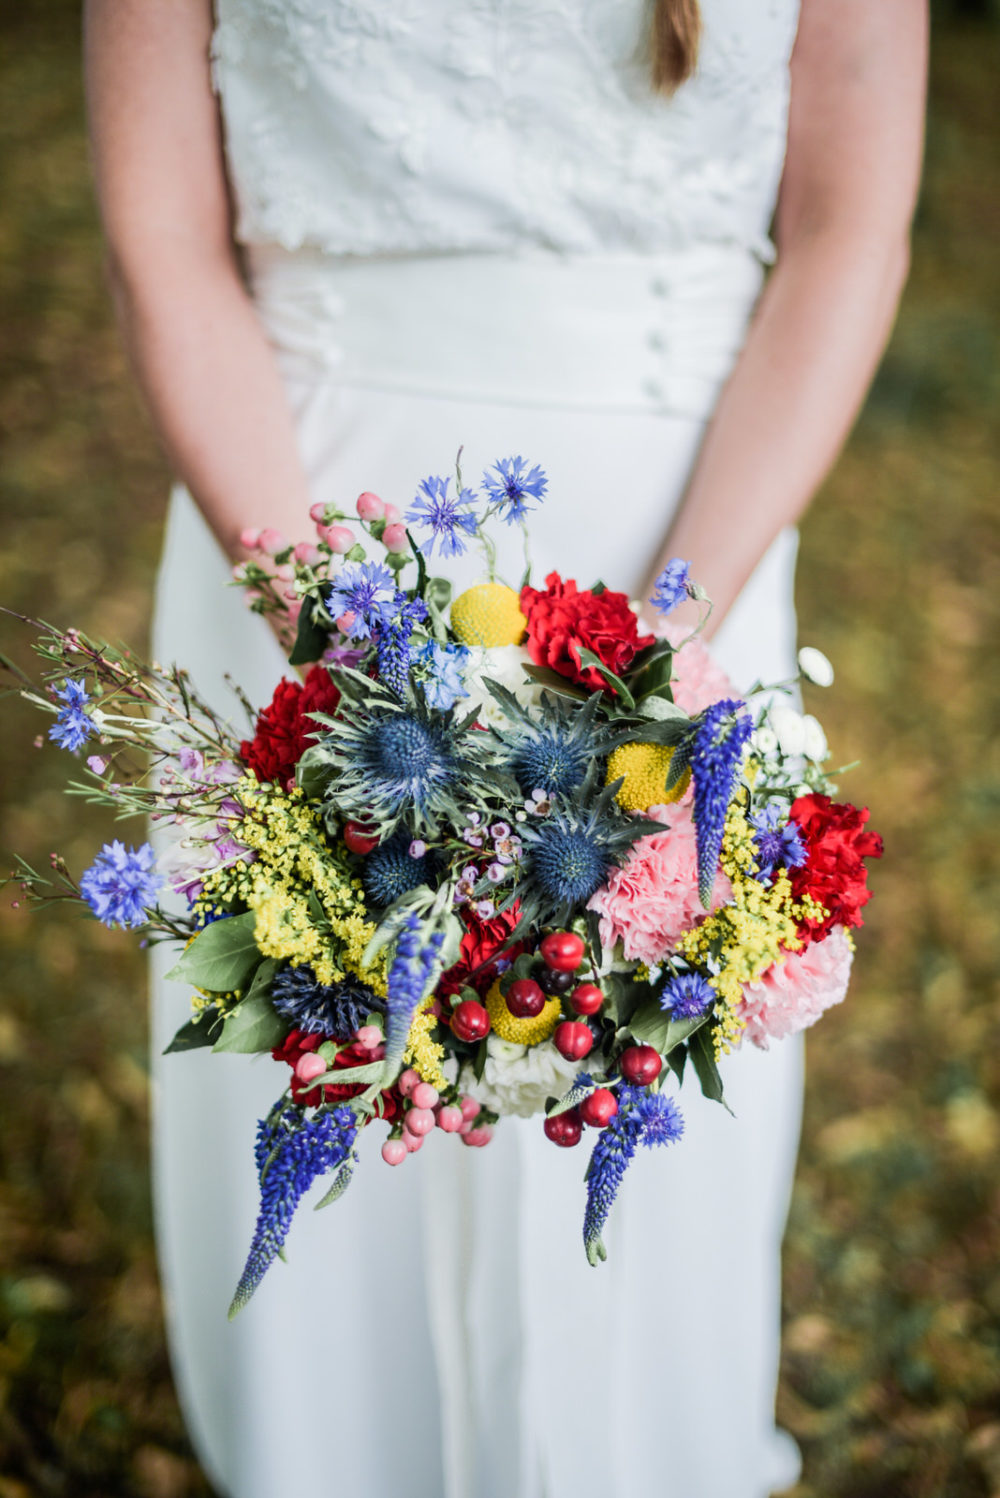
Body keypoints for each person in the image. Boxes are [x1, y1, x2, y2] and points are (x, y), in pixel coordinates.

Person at [83, 3, 926, 1495]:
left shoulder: (674, 627)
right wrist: (345, 664)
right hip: (298, 517)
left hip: (687, 529)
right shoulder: (314, 606)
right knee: (323, 1070)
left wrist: (658, 662)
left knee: (647, 1071)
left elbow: (848, 229)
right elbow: (164, 239)